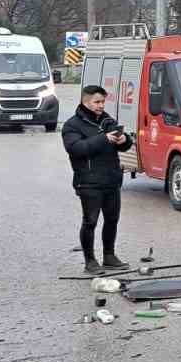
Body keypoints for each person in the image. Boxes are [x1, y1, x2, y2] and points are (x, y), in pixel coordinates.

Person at [61, 84, 130, 274]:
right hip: (88, 181)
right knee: (90, 221)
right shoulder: (72, 125)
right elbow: (76, 149)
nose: (101, 105)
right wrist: (103, 139)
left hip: (111, 180)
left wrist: (125, 140)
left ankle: (109, 256)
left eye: (103, 102)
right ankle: (90, 261)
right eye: (97, 102)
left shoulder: (107, 120)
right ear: (85, 102)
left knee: (112, 220)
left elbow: (123, 145)